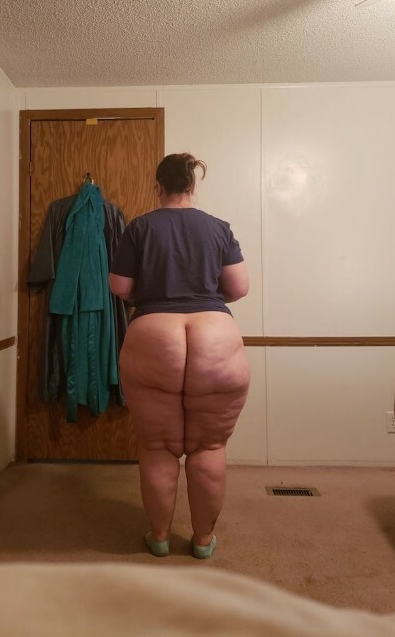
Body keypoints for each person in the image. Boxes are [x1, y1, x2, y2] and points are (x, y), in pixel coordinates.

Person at [109, 153, 250, 559]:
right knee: (210, 446)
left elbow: (120, 286)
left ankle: (159, 537)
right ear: (192, 186)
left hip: (154, 333)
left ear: (158, 186)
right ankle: (203, 541)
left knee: (158, 446)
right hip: (215, 335)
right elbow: (239, 287)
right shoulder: (218, 228)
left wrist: (153, 292)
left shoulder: (140, 227)